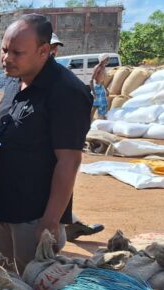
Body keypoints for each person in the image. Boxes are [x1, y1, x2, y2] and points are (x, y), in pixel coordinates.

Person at [0, 14, 93, 274]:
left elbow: (69, 160)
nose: (6, 58)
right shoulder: (14, 82)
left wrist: (51, 220)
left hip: (34, 217)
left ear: (44, 51)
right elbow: (13, 136)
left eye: (17, 52)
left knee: (35, 288)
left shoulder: (66, 91)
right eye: (5, 50)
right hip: (0, 206)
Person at [49, 33, 106, 241]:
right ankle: (68, 224)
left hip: (59, 154)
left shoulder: (64, 81)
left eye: (55, 48)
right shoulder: (22, 82)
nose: (53, 52)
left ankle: (69, 224)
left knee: (61, 189)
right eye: (50, 47)